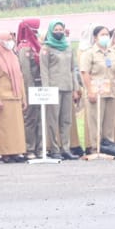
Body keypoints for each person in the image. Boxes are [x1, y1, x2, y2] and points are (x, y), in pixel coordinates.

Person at [39, 20, 78, 160]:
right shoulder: (46, 48)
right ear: (50, 31)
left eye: (61, 29)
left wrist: (76, 88)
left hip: (67, 87)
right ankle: (54, 148)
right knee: (52, 120)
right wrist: (46, 89)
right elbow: (44, 70)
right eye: (56, 29)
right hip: (53, 88)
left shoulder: (68, 47)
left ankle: (65, 148)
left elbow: (72, 69)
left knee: (66, 120)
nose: (59, 32)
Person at [0, 30, 28, 162]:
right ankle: (5, 153)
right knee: (4, 128)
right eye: (7, 39)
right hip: (3, 98)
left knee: (16, 128)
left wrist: (23, 98)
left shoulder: (13, 56)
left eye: (10, 39)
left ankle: (16, 151)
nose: (9, 42)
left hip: (15, 97)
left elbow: (20, 77)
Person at [79, 25, 115, 153]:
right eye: (102, 35)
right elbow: (84, 73)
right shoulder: (89, 53)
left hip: (111, 91)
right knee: (95, 120)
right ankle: (95, 147)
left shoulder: (112, 52)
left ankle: (108, 145)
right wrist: (90, 90)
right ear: (95, 38)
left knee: (109, 121)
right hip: (95, 91)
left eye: (107, 34)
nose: (105, 37)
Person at [15, 18, 42, 158]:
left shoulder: (36, 46)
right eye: (35, 29)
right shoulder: (24, 48)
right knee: (30, 118)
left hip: (40, 87)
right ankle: (29, 148)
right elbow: (26, 73)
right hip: (30, 87)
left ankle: (40, 148)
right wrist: (29, 91)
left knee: (40, 117)